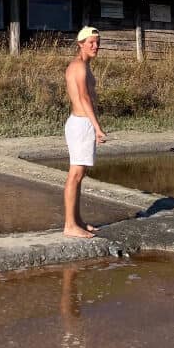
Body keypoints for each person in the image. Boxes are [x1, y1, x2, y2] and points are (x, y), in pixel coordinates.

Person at [63, 26, 107, 238]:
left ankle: (77, 220)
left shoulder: (83, 66)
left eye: (97, 42)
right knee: (75, 175)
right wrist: (97, 127)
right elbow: (84, 98)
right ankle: (70, 225)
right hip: (81, 124)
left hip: (82, 123)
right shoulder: (79, 67)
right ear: (80, 44)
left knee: (79, 176)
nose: (96, 46)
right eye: (91, 42)